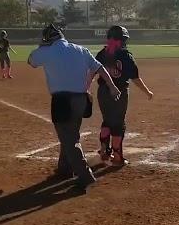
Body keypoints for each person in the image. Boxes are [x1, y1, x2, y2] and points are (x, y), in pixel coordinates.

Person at [28, 24, 121, 190]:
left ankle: (85, 176)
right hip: (81, 99)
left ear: (48, 39)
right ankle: (65, 169)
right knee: (70, 133)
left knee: (70, 139)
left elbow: (31, 61)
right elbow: (98, 68)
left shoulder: (46, 51)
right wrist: (112, 86)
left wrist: (42, 46)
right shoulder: (80, 49)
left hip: (62, 100)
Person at [95, 25, 153, 166]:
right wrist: (147, 92)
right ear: (122, 40)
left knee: (107, 120)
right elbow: (135, 78)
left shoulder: (102, 53)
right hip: (119, 92)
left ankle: (104, 149)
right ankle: (117, 155)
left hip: (102, 91)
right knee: (118, 124)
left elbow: (92, 70)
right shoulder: (126, 55)